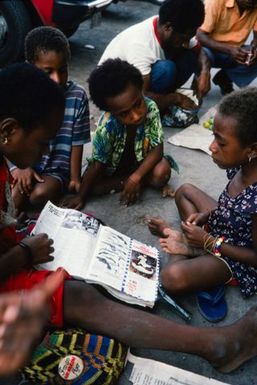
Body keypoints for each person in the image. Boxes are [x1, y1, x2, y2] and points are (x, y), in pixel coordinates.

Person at [3, 63, 257, 376]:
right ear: (8, 131)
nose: (44, 154)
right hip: (224, 240)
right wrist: (25, 253)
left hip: (233, 246)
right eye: (43, 143)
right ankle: (217, 342)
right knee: (78, 292)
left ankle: (193, 251)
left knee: (90, 232)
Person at [148, 88, 257, 306]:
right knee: (185, 191)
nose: (212, 147)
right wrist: (208, 215)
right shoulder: (242, 165)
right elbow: (230, 207)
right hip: (226, 227)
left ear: (251, 150)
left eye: (221, 142)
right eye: (214, 137)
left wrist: (209, 241)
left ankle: (187, 246)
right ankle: (193, 246)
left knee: (172, 278)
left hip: (238, 258)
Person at [62, 59, 176, 210]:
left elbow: (157, 150)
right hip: (114, 171)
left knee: (162, 172)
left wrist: (136, 177)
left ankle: (136, 181)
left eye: (137, 104)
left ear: (141, 90)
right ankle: (137, 181)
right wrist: (80, 196)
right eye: (124, 114)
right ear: (110, 112)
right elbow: (97, 164)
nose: (135, 116)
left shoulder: (151, 108)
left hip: (141, 164)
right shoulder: (107, 126)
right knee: (94, 188)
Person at [10, 26, 90, 213]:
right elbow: (9, 140)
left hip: (55, 168)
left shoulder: (77, 96)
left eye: (62, 70)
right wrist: (19, 168)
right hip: (23, 162)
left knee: (39, 195)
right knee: (14, 199)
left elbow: (77, 143)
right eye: (48, 72)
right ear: (31, 67)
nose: (57, 79)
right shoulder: (19, 93)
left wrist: (75, 179)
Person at [99, 0, 210, 115]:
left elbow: (201, 52)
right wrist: (177, 98)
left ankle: (162, 102)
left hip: (135, 84)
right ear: (168, 27)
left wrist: (205, 72)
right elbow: (141, 98)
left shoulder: (171, 24)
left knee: (190, 56)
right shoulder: (141, 44)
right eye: (183, 38)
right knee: (166, 69)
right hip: (114, 94)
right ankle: (155, 110)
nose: (186, 43)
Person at [196, 0, 257, 95]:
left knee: (253, 54)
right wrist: (229, 49)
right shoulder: (215, 2)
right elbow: (200, 36)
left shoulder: (255, 5)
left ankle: (224, 78)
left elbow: (256, 38)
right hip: (208, 49)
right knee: (201, 54)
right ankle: (200, 77)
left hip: (235, 51)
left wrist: (254, 48)